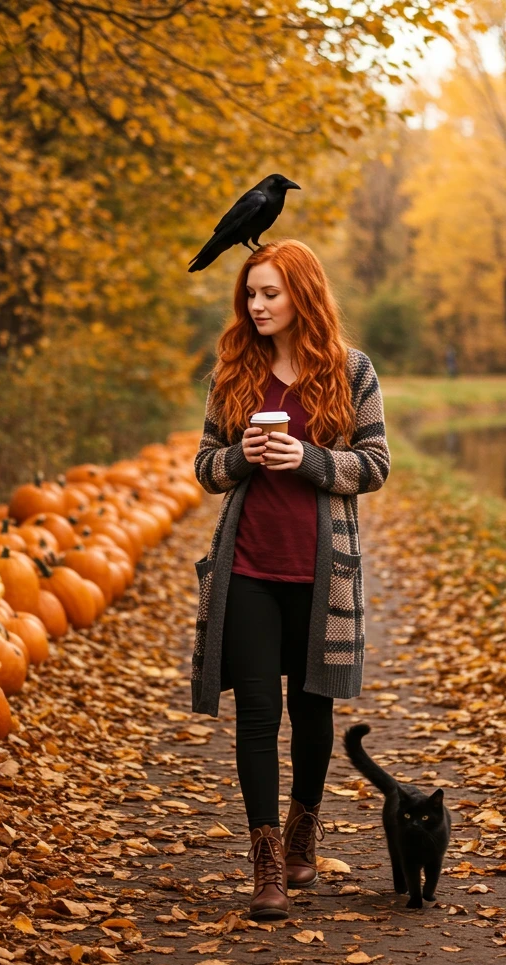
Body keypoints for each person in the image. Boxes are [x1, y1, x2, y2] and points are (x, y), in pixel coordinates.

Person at [191, 238, 390, 920]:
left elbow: (375, 465)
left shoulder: (352, 372)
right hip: (246, 566)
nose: (257, 305)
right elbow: (205, 468)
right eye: (251, 294)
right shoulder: (231, 377)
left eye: (270, 293)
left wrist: (307, 458)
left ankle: (305, 823)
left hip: (319, 571)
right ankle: (266, 864)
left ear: (302, 294)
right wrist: (241, 458)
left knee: (312, 711)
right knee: (256, 714)